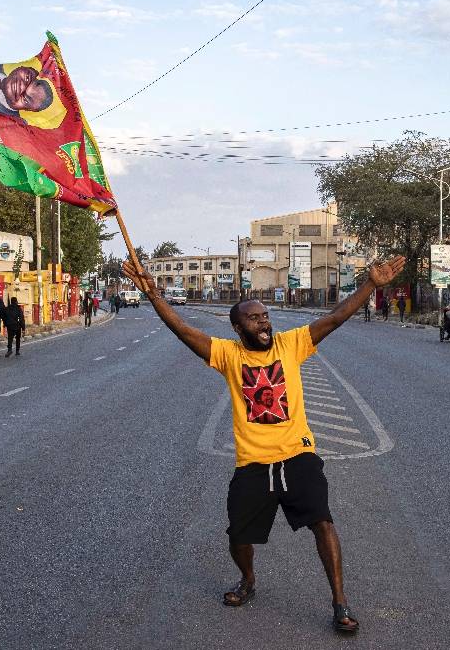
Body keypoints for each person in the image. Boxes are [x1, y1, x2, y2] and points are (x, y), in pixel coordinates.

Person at [121, 254, 406, 633]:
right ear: (238, 329)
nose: (264, 322)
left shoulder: (291, 345)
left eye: (265, 316)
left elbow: (334, 318)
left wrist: (370, 285)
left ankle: (340, 602)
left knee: (323, 522)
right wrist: (156, 296)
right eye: (254, 318)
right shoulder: (227, 354)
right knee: (238, 537)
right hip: (252, 462)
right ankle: (249, 579)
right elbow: (184, 332)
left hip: (298, 455)